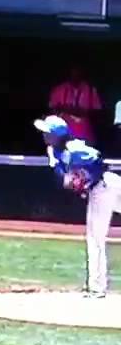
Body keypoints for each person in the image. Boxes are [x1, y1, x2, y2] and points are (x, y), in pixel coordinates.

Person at [34, 116, 120, 298]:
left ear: (58, 136)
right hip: (101, 190)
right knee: (95, 238)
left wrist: (86, 176)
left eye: (48, 133)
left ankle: (97, 288)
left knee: (95, 239)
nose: (44, 136)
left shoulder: (73, 149)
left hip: (105, 187)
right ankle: (96, 286)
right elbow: (64, 177)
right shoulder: (55, 151)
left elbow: (97, 160)